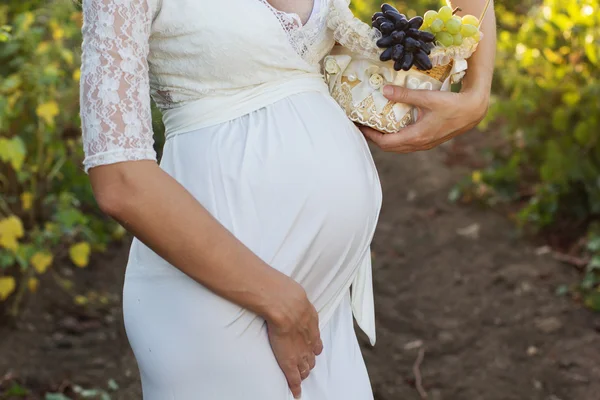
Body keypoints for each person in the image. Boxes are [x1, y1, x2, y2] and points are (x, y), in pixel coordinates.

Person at [79, 0, 495, 398]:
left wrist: (476, 92)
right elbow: (120, 180)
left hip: (322, 307)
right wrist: (277, 299)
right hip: (223, 304)